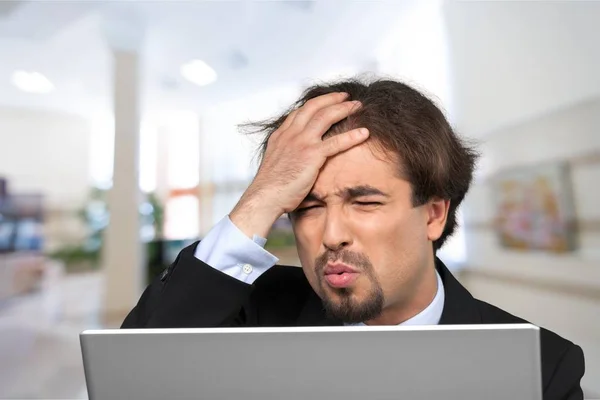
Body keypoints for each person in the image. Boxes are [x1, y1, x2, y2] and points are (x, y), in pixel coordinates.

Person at [122, 79, 585, 399]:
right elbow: (132, 377)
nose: (331, 235)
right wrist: (261, 197)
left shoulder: (543, 364)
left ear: (434, 215)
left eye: (365, 202)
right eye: (308, 207)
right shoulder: (248, 313)